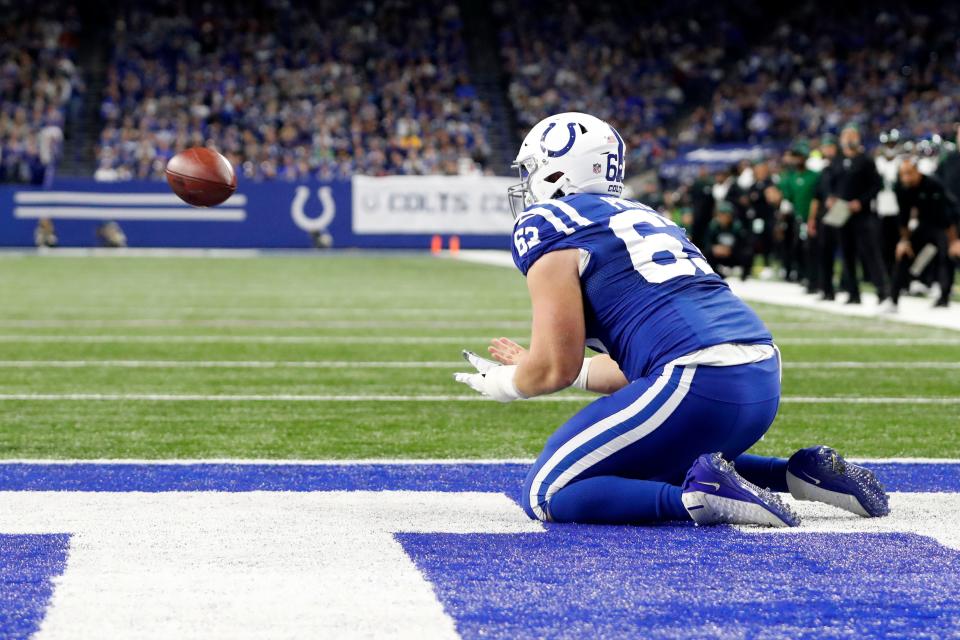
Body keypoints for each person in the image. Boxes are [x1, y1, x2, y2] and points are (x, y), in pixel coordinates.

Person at [455, 112, 889, 527]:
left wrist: (505, 383)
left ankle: (696, 499)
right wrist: (563, 368)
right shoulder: (647, 215)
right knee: (639, 457)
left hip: (695, 381)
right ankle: (796, 473)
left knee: (547, 491)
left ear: (557, 171)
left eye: (531, 169)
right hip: (759, 374)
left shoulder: (549, 222)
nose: (526, 183)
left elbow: (555, 368)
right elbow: (635, 363)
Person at [827, 125, 891, 307]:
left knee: (870, 252)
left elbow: (877, 186)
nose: (848, 139)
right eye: (845, 136)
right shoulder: (837, 160)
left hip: (862, 213)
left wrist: (860, 202)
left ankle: (882, 291)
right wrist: (831, 198)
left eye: (852, 136)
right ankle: (853, 292)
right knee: (846, 254)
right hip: (840, 212)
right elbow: (831, 183)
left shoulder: (866, 160)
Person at [892, 159, 960, 308]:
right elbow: (904, 216)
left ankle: (944, 297)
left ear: (918, 171)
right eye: (902, 174)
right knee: (904, 253)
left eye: (909, 173)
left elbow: (947, 214)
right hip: (924, 224)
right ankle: (893, 298)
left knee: (948, 257)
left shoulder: (933, 184)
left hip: (946, 225)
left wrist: (954, 241)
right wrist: (904, 241)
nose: (906, 178)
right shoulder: (901, 187)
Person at [705, 200, 751, 279]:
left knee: (747, 253)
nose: (723, 218)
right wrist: (714, 248)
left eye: (725, 215)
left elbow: (743, 244)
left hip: (732, 255)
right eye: (720, 215)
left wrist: (731, 250)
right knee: (706, 254)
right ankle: (716, 273)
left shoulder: (737, 227)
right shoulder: (713, 226)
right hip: (718, 255)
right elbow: (707, 243)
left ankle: (743, 274)